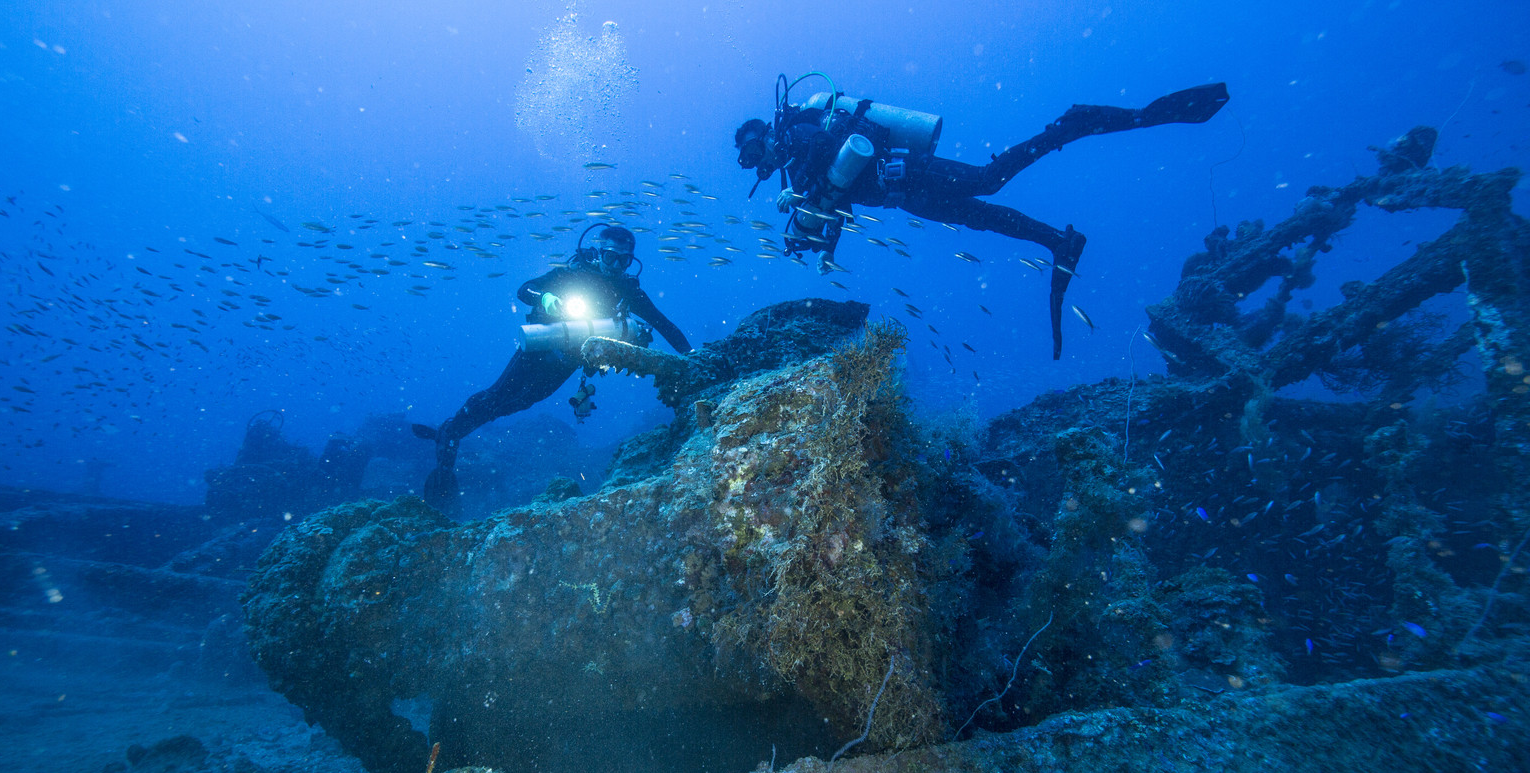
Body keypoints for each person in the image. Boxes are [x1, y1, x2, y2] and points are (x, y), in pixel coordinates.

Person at [734, 74, 1230, 358]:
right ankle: (1057, 241)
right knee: (982, 217)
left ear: (765, 137)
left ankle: (1070, 126)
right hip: (902, 196)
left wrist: (802, 194)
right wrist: (823, 246)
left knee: (987, 181)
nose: (758, 163)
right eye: (750, 161)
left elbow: (829, 149)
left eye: (754, 152)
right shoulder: (794, 168)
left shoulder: (796, 134)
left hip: (903, 171)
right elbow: (835, 200)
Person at [413, 224, 692, 510]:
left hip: (568, 361)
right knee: (497, 395)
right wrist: (545, 298)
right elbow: (525, 289)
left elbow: (664, 324)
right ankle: (451, 433)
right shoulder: (570, 275)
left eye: (625, 260)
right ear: (599, 253)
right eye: (611, 257)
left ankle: (455, 429)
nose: (617, 266)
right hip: (540, 347)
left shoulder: (628, 290)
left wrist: (691, 356)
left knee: (521, 402)